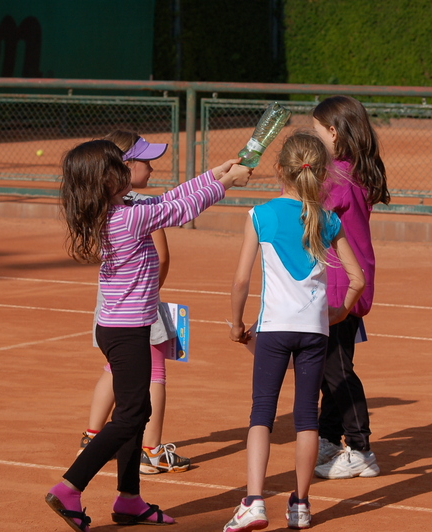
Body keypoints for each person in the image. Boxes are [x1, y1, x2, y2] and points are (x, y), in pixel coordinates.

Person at [46, 139, 251, 531]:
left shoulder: (119, 210)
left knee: (135, 413)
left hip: (120, 328)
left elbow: (168, 198)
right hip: (126, 332)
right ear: (106, 180)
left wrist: (216, 174)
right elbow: (181, 209)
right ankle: (69, 487)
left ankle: (129, 499)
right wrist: (226, 185)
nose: (126, 170)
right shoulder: (128, 218)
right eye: (118, 167)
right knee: (132, 415)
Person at [225, 131, 365, 531]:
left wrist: (237, 324)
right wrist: (339, 313)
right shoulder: (329, 219)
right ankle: (301, 505)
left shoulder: (261, 214)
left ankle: (254, 501)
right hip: (315, 331)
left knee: (262, 413)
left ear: (279, 170)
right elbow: (357, 279)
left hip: (273, 329)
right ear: (321, 174)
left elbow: (241, 281)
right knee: (307, 417)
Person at [77, 131, 190, 476]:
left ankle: (93, 434)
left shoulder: (98, 204)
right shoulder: (140, 208)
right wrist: (150, 296)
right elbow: (163, 257)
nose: (152, 168)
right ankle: (151, 450)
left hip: (111, 305)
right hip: (139, 305)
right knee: (154, 372)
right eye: (146, 161)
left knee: (115, 368)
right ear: (122, 167)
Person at [310, 95, 390, 480]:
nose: (314, 139)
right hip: (348, 280)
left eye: (317, 132)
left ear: (334, 132)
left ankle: (360, 449)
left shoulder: (337, 176)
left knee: (336, 368)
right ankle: (328, 437)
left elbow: (304, 208)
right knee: (332, 366)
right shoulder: (352, 170)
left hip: (339, 284)